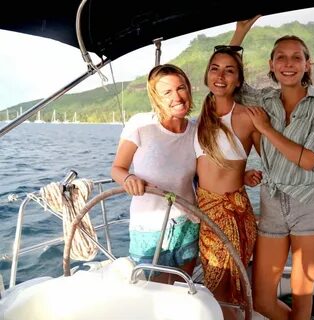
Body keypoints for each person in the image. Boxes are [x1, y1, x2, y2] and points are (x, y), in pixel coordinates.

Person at [230, 16, 314, 320]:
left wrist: (266, 129)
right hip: (272, 202)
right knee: (262, 299)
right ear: (272, 64)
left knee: (303, 303)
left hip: (310, 202)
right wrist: (241, 30)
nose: (288, 63)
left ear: (307, 65)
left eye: (296, 57)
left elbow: (309, 160)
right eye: (281, 57)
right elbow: (233, 82)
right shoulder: (265, 99)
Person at [111, 64, 200, 284]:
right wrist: (128, 178)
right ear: (156, 98)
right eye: (167, 92)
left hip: (188, 223)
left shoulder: (197, 130)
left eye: (181, 88)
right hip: (149, 228)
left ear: (189, 90)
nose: (177, 97)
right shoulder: (141, 125)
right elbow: (117, 169)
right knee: (153, 295)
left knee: (183, 290)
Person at [194, 45, 262, 318]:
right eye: (215, 68)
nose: (221, 76)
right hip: (204, 214)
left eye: (229, 71)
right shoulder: (200, 116)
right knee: (213, 289)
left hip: (233, 215)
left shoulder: (247, 117)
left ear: (239, 80)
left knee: (228, 291)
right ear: (207, 75)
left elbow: (274, 160)